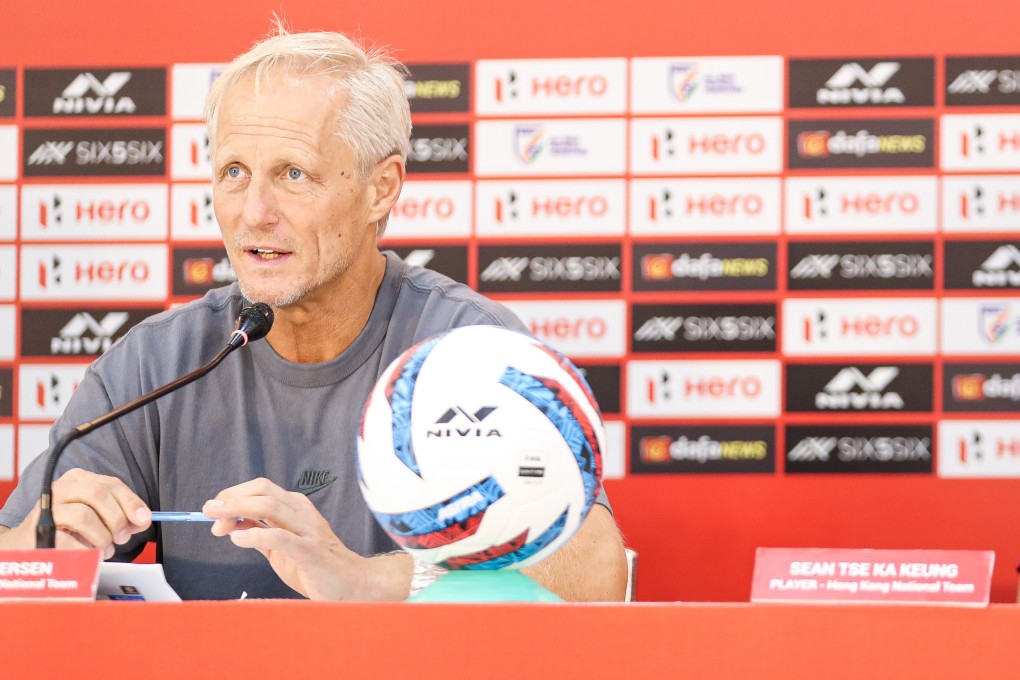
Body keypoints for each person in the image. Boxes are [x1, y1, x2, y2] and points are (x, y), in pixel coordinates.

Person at [0, 26, 628, 601]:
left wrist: (364, 580)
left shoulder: (465, 347)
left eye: (293, 173)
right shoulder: (157, 362)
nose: (254, 213)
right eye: (234, 173)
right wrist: (40, 549)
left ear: (381, 188)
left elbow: (597, 568)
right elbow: (11, 559)